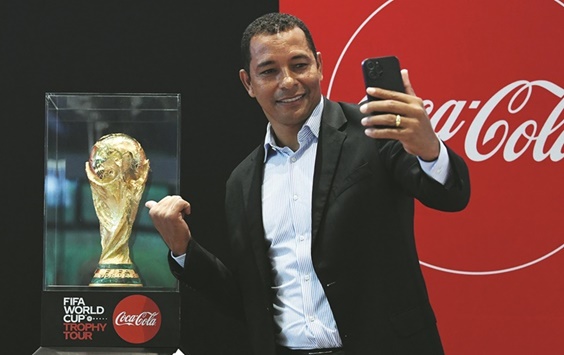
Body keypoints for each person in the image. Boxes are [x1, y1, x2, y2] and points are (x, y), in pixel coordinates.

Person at [146, 12, 470, 355]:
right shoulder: (241, 182)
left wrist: (429, 149)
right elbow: (248, 303)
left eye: (299, 65)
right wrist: (183, 251)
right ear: (248, 83)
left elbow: (450, 195)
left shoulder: (375, 131)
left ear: (319, 65)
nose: (288, 81)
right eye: (269, 71)